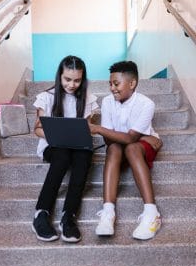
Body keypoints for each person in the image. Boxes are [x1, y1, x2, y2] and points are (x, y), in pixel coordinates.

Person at [89, 60, 163, 240]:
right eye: (110, 84)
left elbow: (130, 139)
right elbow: (109, 140)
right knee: (114, 148)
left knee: (131, 148)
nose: (112, 88)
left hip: (140, 148)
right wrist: (136, 136)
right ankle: (108, 212)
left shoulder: (147, 104)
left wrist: (98, 128)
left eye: (116, 84)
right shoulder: (107, 102)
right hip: (123, 144)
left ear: (132, 83)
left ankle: (152, 213)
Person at [32, 55, 98, 243]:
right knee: (62, 155)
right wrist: (56, 137)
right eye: (67, 79)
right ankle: (41, 213)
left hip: (76, 147)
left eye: (77, 80)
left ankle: (69, 216)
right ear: (59, 76)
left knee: (84, 155)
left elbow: (86, 129)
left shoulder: (88, 99)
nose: (71, 84)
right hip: (52, 146)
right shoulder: (46, 97)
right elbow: (37, 129)